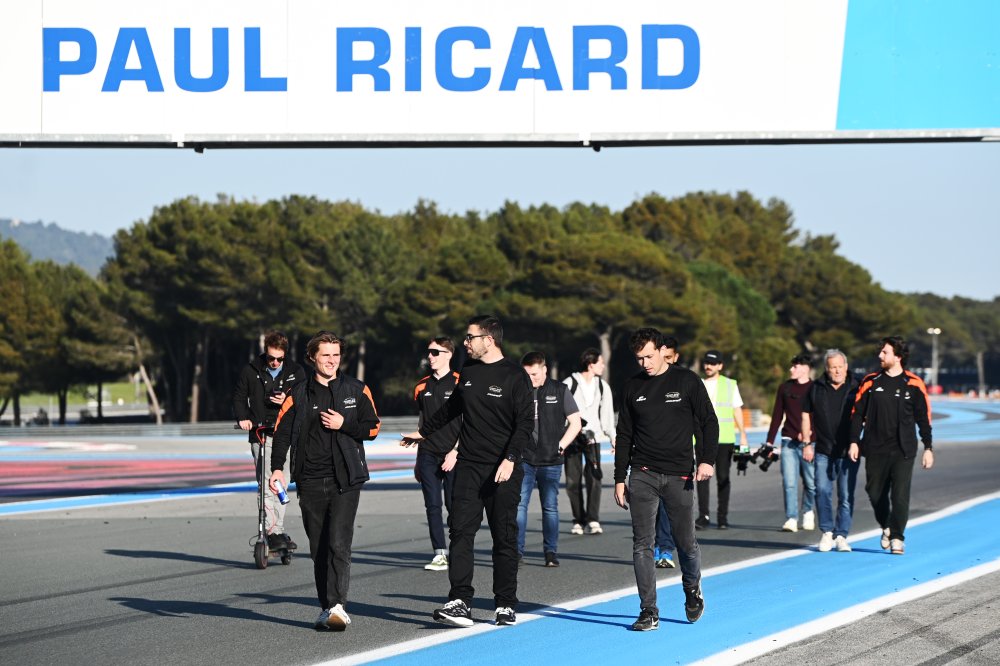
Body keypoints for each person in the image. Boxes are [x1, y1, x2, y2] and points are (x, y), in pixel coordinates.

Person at [401, 315, 533, 628]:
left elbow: (525, 423)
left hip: (503, 468)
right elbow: (452, 409)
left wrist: (510, 458)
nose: (466, 342)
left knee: (504, 537)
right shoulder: (469, 371)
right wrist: (424, 432)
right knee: (460, 532)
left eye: (470, 337)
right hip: (469, 466)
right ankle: (460, 601)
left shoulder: (515, 375)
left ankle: (505, 603)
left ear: (489, 339)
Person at [269, 331, 381, 631]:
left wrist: (345, 424)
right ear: (312, 358)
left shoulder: (356, 389)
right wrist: (277, 469)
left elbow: (373, 429)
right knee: (318, 548)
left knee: (338, 543)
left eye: (336, 355)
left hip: (346, 479)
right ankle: (326, 608)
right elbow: (281, 434)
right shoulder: (297, 393)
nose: (332, 361)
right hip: (309, 480)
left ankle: (338, 606)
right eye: (326, 355)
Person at [614, 327, 719, 632]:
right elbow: (624, 435)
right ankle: (648, 611)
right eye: (639, 358)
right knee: (642, 544)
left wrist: (707, 460)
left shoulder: (686, 381)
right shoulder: (632, 386)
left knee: (685, 542)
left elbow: (709, 422)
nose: (645, 363)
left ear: (662, 351)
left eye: (649, 356)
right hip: (642, 474)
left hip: (679, 474)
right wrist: (620, 478)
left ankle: (692, 589)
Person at [849, 337, 933, 556]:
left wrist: (928, 447)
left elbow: (923, 418)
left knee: (900, 495)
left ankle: (897, 537)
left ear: (898, 357)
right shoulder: (870, 381)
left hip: (903, 449)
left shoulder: (914, 383)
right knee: (874, 492)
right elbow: (857, 414)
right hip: (874, 447)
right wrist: (854, 441)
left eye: (885, 352)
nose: (880, 355)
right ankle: (887, 525)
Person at [232, 330, 304, 551]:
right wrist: (243, 418)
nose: (275, 363)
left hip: (286, 433)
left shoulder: (296, 372)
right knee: (266, 484)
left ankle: (277, 530)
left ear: (285, 355)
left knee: (281, 483)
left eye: (279, 359)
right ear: (265, 352)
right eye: (271, 358)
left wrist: (287, 400)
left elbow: (306, 399)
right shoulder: (250, 370)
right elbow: (239, 397)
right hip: (261, 433)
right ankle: (271, 531)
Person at [517, 352, 581, 568]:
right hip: (524, 459)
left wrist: (561, 445)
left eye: (534, 374)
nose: (530, 379)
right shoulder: (519, 390)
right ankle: (516, 552)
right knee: (519, 506)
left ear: (544, 370)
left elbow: (575, 423)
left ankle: (550, 552)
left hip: (551, 460)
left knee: (550, 507)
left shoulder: (560, 390)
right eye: (526, 374)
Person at [801, 349, 861, 553]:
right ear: (826, 369)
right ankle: (827, 531)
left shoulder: (857, 386)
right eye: (832, 367)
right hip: (823, 449)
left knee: (845, 494)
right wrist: (807, 442)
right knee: (822, 490)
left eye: (839, 367)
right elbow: (805, 414)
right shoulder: (816, 388)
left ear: (846, 367)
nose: (836, 371)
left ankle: (842, 535)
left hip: (848, 450)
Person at [411, 337, 461, 572]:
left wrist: (456, 451)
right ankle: (440, 554)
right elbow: (422, 423)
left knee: (454, 505)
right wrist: (418, 460)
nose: (430, 356)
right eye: (429, 352)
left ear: (448, 354)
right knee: (432, 505)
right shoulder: (421, 386)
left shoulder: (461, 382)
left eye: (435, 352)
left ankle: (459, 549)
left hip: (454, 454)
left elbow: (470, 421)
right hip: (428, 453)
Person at [562, 348, 616, 536]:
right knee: (572, 480)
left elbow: (607, 415)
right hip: (572, 438)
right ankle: (578, 519)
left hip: (593, 438)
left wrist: (612, 437)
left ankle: (593, 519)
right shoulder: (569, 383)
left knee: (594, 478)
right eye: (601, 362)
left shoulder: (602, 386)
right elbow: (560, 411)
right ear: (590, 364)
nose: (603, 366)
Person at [696, 350, 750, 530]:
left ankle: (722, 517)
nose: (708, 366)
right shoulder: (697, 383)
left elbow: (737, 410)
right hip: (701, 439)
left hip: (724, 439)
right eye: (706, 362)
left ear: (720, 365)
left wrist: (743, 435)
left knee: (723, 477)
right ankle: (703, 516)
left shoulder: (730, 384)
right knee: (702, 477)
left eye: (712, 363)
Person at [765, 354, 816, 532]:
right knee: (789, 482)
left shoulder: (816, 388)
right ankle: (791, 518)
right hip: (788, 442)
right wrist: (769, 442)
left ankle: (808, 511)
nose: (791, 369)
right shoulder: (784, 388)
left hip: (810, 443)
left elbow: (820, 416)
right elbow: (777, 416)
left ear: (805, 368)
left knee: (811, 483)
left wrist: (809, 434)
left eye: (795, 366)